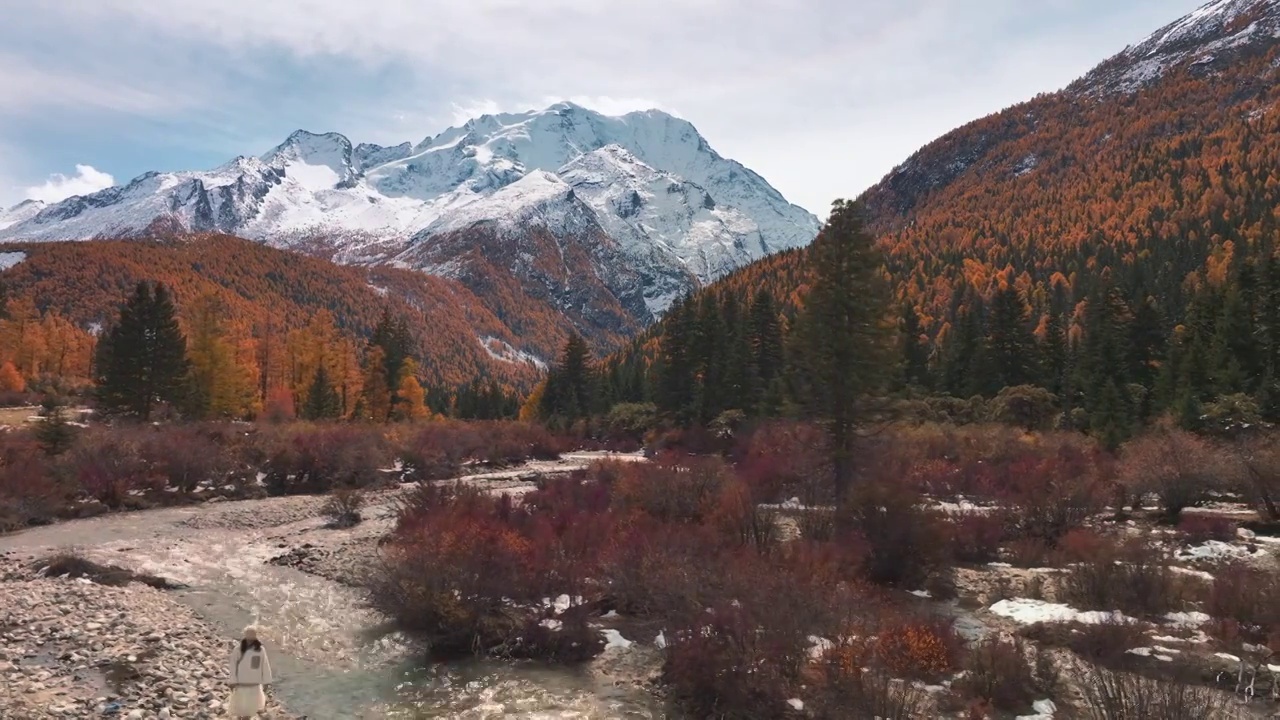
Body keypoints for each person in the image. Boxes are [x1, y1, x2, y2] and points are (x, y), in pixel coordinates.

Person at [227, 625, 273, 718]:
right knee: (240, 709)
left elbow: (265, 665)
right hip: (241, 685)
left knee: (249, 711)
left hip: (254, 686)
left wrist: (266, 681)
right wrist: (232, 681)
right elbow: (233, 666)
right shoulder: (238, 649)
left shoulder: (260, 650)